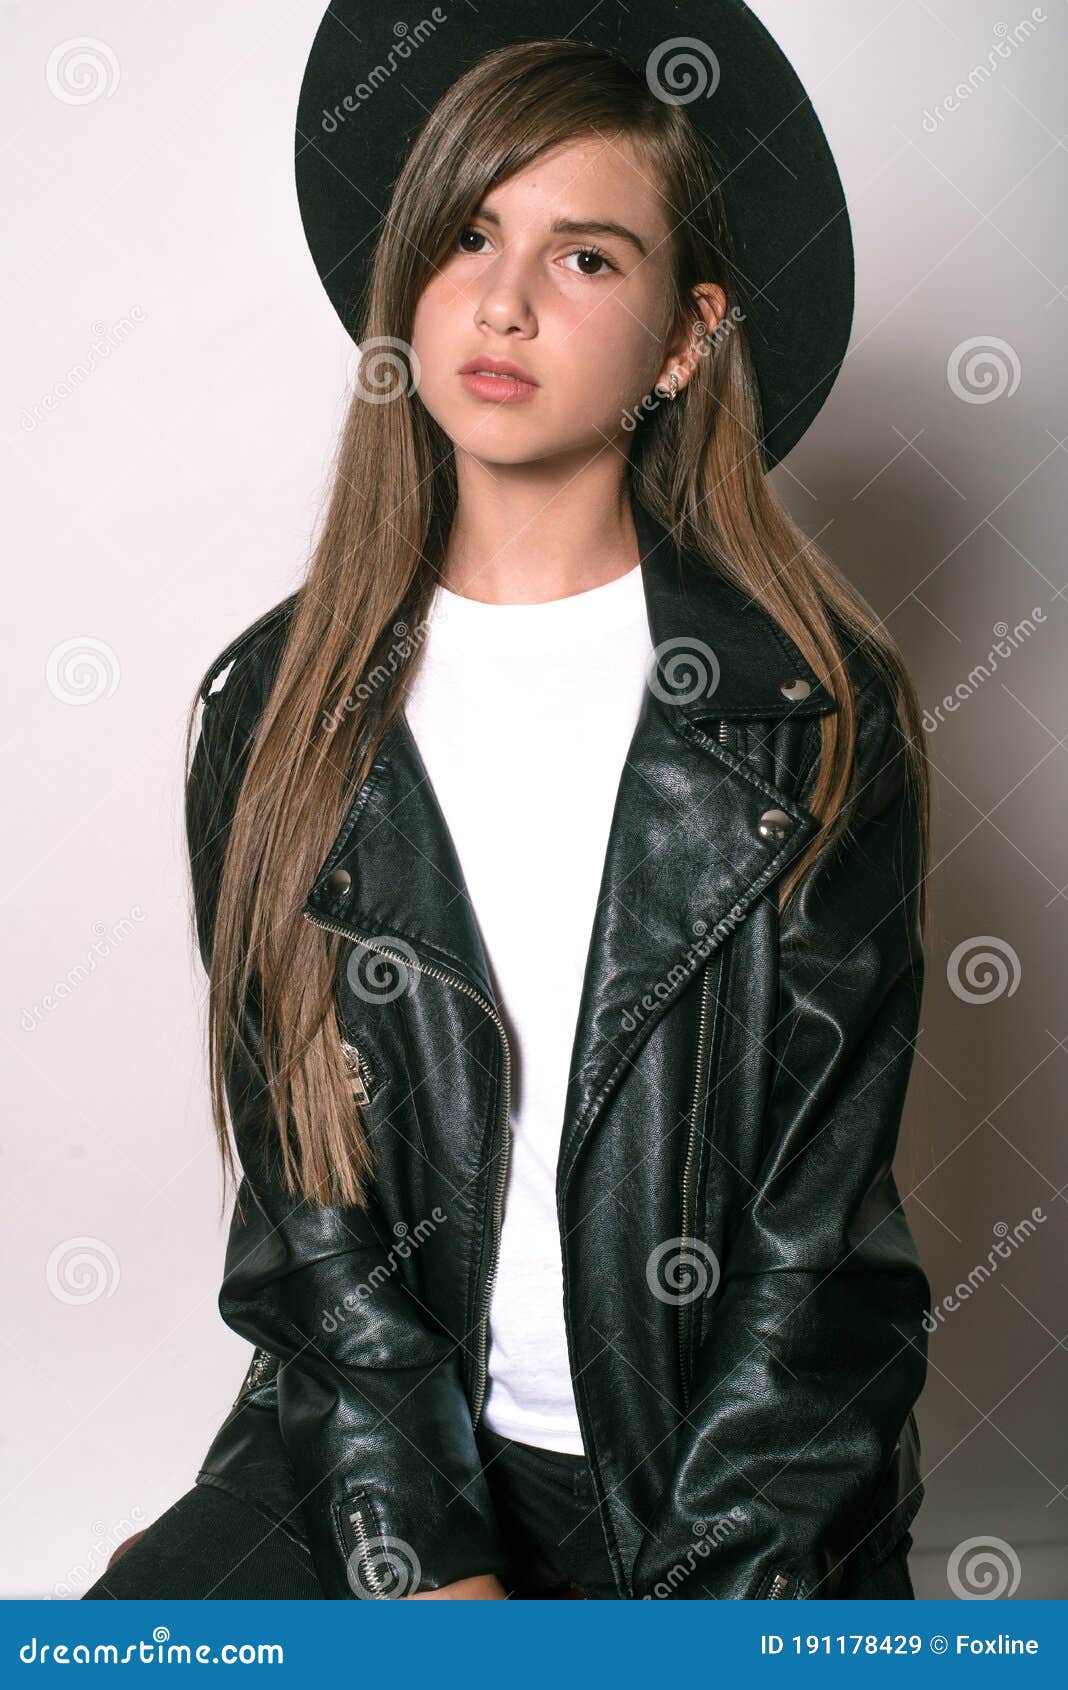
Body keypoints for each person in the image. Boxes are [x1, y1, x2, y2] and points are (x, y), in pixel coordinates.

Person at [85, 1, 931, 1601]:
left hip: (721, 1493)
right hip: (384, 1459)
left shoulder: (816, 709)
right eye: (473, 231)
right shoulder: (272, 711)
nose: (507, 298)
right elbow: (315, 1234)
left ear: (685, 339)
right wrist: (428, 1566)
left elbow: (818, 1264)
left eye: (587, 256)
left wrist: (709, 1599)